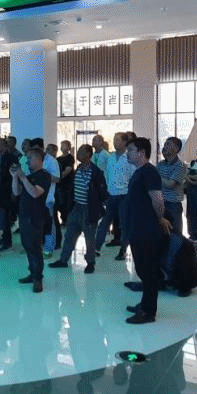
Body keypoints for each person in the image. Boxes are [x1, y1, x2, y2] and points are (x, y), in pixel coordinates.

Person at [124, 137, 173, 324]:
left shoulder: (149, 172)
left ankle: (148, 311)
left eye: (130, 149)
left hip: (147, 229)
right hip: (138, 227)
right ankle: (144, 303)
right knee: (142, 269)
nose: (127, 153)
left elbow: (158, 199)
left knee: (148, 270)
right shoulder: (140, 172)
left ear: (141, 152)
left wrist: (160, 218)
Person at [49, 144, 106, 274]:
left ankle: (90, 263)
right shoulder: (79, 168)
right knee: (69, 235)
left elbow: (102, 192)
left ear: (88, 154)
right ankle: (63, 260)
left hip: (89, 209)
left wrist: (97, 209)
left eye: (81, 151)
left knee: (89, 238)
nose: (78, 154)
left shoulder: (96, 172)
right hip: (76, 207)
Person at [12, 147, 50, 293]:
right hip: (24, 215)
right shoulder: (29, 176)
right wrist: (15, 177)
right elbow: (16, 192)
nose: (28, 161)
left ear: (39, 160)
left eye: (30, 158)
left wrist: (22, 177)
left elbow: (35, 193)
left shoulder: (44, 176)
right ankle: (32, 272)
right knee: (27, 245)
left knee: (34, 247)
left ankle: (38, 278)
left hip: (35, 217)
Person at [95, 132, 132, 260]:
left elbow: (132, 177)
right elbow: (107, 176)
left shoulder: (129, 158)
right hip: (111, 195)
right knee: (104, 222)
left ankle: (123, 250)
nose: (115, 142)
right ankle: (96, 248)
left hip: (124, 196)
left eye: (118, 140)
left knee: (123, 224)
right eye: (114, 140)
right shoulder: (110, 158)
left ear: (125, 142)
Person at [156, 137, 187, 235]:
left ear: (177, 149)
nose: (165, 146)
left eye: (168, 144)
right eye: (165, 144)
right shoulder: (160, 164)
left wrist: (156, 177)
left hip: (173, 205)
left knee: (175, 233)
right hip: (160, 203)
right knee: (161, 232)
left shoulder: (180, 165)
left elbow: (171, 184)